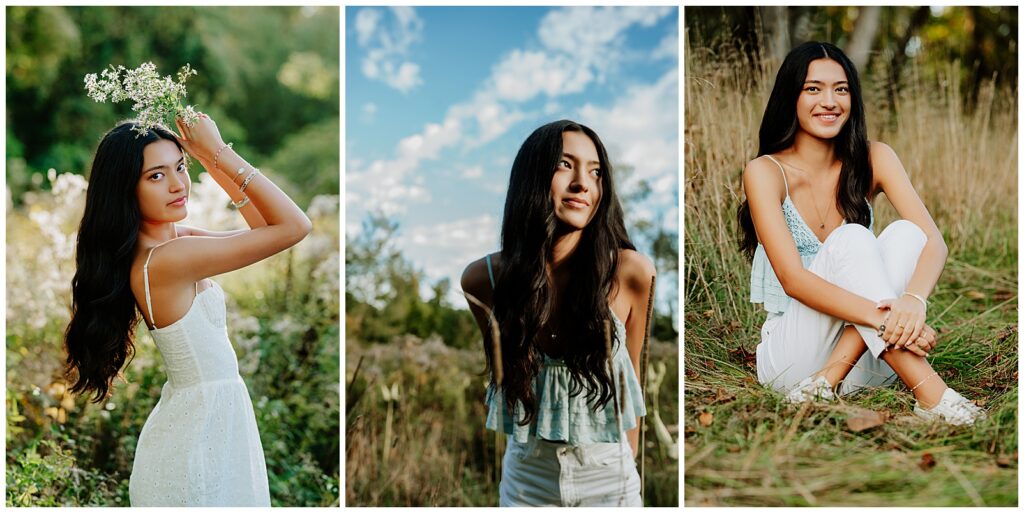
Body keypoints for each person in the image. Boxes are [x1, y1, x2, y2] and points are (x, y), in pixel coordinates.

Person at [63, 114, 312, 505]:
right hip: (198, 448)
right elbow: (294, 226)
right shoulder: (171, 259)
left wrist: (210, 158)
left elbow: (264, 224)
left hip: (205, 430)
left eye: (181, 166)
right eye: (156, 176)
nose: (179, 184)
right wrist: (218, 151)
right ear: (125, 189)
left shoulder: (173, 244)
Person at [737, 42, 984, 425]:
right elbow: (793, 280)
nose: (830, 101)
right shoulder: (765, 172)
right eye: (813, 88)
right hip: (792, 360)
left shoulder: (875, 157)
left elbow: (933, 242)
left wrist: (913, 302)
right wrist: (887, 322)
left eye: (841, 89)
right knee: (851, 237)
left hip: (870, 365)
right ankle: (932, 396)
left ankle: (827, 382)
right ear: (792, 96)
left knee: (906, 233)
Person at [461, 120, 656, 506]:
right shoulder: (483, 280)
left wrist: (625, 466)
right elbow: (505, 371)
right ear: (532, 177)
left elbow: (633, 379)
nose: (583, 183)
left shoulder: (632, 272)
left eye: (596, 171)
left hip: (609, 481)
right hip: (525, 482)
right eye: (565, 165)